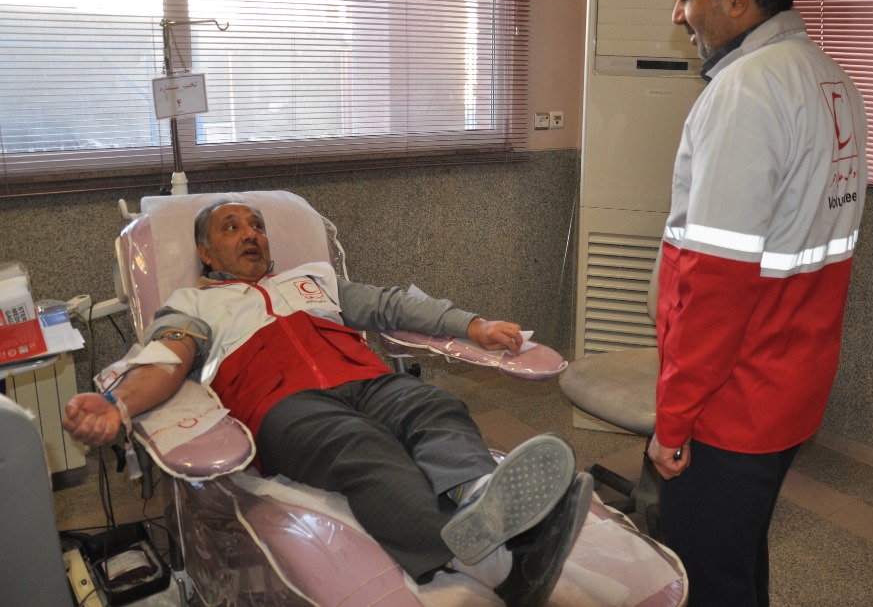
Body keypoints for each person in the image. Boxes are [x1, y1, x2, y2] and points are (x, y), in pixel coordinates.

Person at [63, 197, 592, 607]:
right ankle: (492, 566)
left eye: (257, 225)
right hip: (286, 406)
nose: (251, 233)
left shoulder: (313, 279)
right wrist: (118, 405)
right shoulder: (192, 303)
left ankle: (480, 497)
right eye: (232, 227)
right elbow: (166, 360)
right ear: (205, 252)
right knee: (361, 448)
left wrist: (472, 325)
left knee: (433, 406)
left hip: (367, 380)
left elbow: (391, 306)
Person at [646, 0, 869, 607]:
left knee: (701, 575)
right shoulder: (830, 79)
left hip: (732, 399)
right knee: (737, 556)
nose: (678, 13)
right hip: (790, 384)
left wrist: (673, 419)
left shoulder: (746, 91)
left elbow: (716, 285)